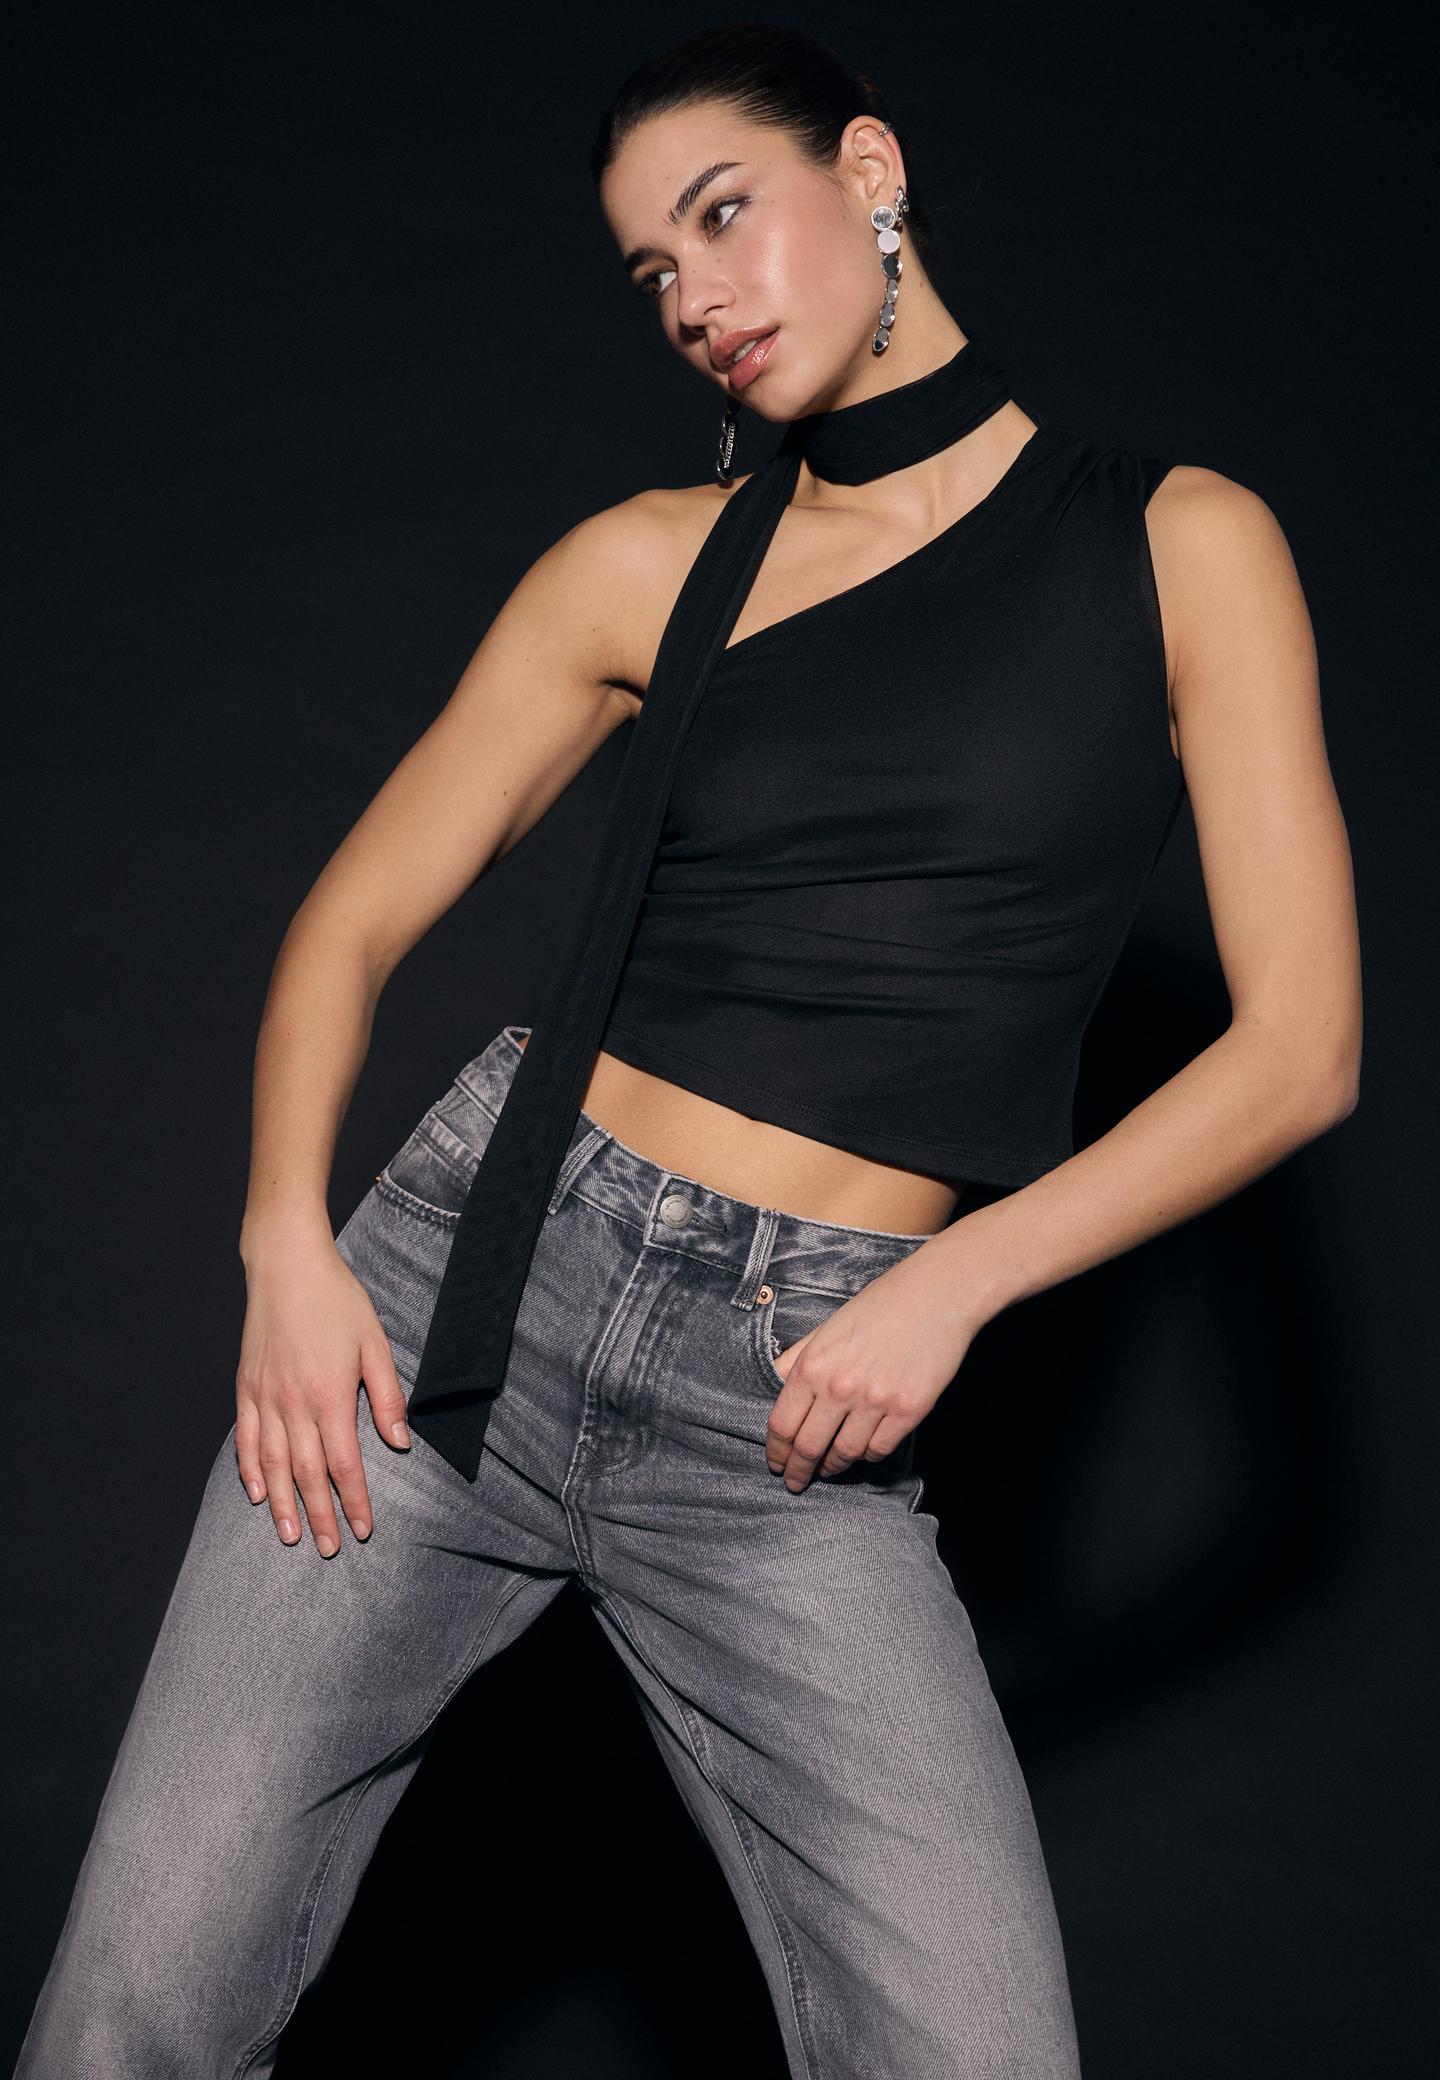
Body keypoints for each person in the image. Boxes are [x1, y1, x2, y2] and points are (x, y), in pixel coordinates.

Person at [15, 22, 1361, 2080]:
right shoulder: (646, 562)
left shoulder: (1181, 542)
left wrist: (962, 1277)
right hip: (455, 1326)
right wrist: (284, 1238)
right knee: (135, 2007)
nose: (697, 298)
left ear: (871, 171)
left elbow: (1301, 1047)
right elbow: (348, 921)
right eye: (654, 269)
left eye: (725, 216)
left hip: (800, 1406)